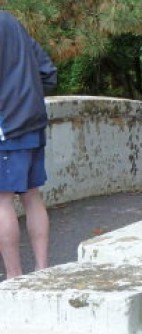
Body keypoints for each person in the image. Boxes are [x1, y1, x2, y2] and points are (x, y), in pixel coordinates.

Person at [0, 11, 57, 280]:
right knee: (33, 196)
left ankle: (14, 278)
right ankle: (42, 270)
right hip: (32, 122)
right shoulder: (12, 22)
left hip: (6, 127)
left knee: (2, 201)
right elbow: (48, 73)